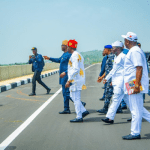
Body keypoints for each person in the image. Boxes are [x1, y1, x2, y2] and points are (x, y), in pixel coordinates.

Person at [43, 40, 86, 114]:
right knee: (65, 93)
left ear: (66, 46)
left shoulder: (70, 55)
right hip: (64, 77)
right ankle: (67, 108)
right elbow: (59, 60)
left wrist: (65, 73)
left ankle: (79, 104)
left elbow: (72, 67)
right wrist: (49, 58)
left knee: (67, 93)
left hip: (66, 76)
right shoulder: (64, 54)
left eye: (62, 45)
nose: (61, 46)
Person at [122, 32, 150, 140]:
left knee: (135, 110)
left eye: (125, 40)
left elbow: (139, 68)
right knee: (138, 109)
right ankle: (135, 132)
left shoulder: (135, 51)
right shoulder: (133, 51)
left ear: (128, 41)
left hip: (135, 83)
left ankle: (135, 133)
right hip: (132, 83)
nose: (124, 42)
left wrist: (137, 85)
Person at [101, 41, 128, 124]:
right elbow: (114, 70)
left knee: (115, 99)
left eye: (113, 48)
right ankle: (142, 115)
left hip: (121, 81)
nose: (111, 49)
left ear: (117, 48)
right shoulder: (116, 57)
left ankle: (109, 118)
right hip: (117, 81)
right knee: (130, 101)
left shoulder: (123, 57)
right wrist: (107, 78)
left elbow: (128, 69)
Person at [65, 39, 89, 122]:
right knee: (73, 97)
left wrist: (69, 80)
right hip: (77, 79)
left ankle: (79, 116)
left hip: (75, 80)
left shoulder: (74, 56)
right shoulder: (78, 54)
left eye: (67, 47)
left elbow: (75, 69)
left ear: (70, 47)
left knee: (76, 99)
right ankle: (83, 111)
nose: (67, 48)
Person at [97, 45, 116, 114]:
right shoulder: (108, 57)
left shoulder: (111, 57)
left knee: (108, 93)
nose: (104, 51)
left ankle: (105, 108)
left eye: (104, 49)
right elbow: (107, 70)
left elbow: (113, 69)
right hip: (108, 78)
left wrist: (110, 79)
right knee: (114, 94)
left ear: (107, 49)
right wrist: (102, 77)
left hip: (111, 78)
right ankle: (118, 108)